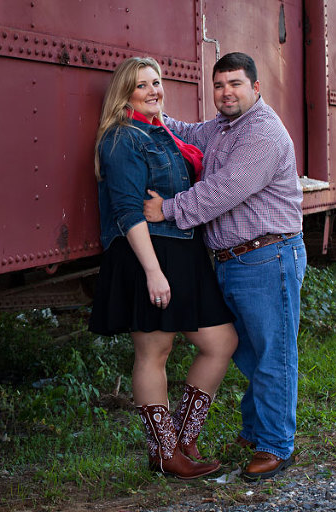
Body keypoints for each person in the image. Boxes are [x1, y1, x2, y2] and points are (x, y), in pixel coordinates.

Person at [143, 52, 307, 481]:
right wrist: (151, 110)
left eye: (235, 84)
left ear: (256, 88)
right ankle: (256, 431)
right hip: (234, 260)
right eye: (219, 85)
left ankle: (276, 445)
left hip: (268, 257)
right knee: (250, 353)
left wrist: (168, 209)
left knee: (272, 354)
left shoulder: (263, 132)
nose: (226, 92)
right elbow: (186, 133)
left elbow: (223, 190)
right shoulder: (222, 126)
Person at [88, 57, 238, 480]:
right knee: (155, 351)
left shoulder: (163, 131)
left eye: (157, 82)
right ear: (125, 94)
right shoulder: (121, 138)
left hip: (185, 251)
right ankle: (163, 452)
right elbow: (127, 211)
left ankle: (182, 439)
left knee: (221, 341)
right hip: (147, 254)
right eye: (142, 85)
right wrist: (153, 272)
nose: (154, 90)